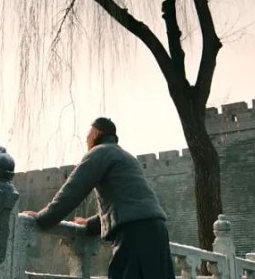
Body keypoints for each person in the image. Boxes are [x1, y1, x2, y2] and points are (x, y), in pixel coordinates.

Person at [22, 118, 175, 278]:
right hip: (157, 229)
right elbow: (124, 203)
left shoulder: (99, 152)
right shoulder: (128, 157)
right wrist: (90, 224)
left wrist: (43, 217)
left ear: (96, 133)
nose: (87, 141)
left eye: (88, 137)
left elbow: (73, 191)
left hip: (134, 232)